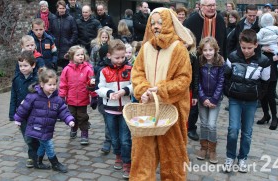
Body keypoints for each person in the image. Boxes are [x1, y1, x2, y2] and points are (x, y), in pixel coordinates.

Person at [130, 7, 193, 180]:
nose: (156, 26)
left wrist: (161, 89)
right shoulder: (145, 49)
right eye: (153, 23)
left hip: (171, 109)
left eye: (160, 22)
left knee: (173, 152)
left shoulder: (178, 49)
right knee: (143, 152)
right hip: (147, 108)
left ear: (168, 23)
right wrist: (143, 90)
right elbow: (137, 73)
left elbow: (184, 79)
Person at [224, 29, 270, 172]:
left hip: (251, 102)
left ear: (256, 45)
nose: (246, 51)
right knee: (233, 129)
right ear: (240, 44)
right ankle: (230, 156)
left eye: (249, 48)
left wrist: (257, 96)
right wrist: (229, 91)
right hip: (235, 100)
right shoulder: (232, 57)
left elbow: (265, 83)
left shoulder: (264, 61)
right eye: (243, 47)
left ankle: (243, 157)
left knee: (247, 132)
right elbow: (226, 76)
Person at [14, 67, 75, 173]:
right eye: (49, 85)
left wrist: (69, 120)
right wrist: (18, 119)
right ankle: (55, 163)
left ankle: (37, 162)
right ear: (42, 84)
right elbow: (23, 108)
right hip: (36, 127)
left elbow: (63, 111)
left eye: (54, 84)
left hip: (47, 128)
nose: (52, 87)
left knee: (42, 145)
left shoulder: (57, 99)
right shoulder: (33, 96)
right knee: (49, 145)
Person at [184, 0, 227, 140]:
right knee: (196, 93)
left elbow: (224, 40)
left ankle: (209, 124)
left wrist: (223, 60)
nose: (212, 8)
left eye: (214, 5)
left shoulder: (220, 20)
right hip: (196, 61)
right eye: (208, 5)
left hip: (214, 63)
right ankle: (191, 127)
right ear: (201, 7)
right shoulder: (192, 20)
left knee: (212, 90)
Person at [96, 39, 133, 179]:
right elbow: (99, 89)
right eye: (117, 57)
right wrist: (109, 93)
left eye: (123, 57)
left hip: (125, 109)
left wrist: (125, 90)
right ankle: (118, 155)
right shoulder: (104, 71)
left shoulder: (129, 69)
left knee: (125, 138)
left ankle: (127, 162)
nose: (120, 60)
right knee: (114, 138)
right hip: (110, 110)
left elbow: (134, 85)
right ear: (109, 55)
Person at [9, 51, 50, 170]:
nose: (23, 68)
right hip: (22, 114)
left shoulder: (38, 80)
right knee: (27, 137)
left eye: (25, 65)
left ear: (33, 65)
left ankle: (34, 156)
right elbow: (13, 97)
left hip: (36, 113)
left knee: (36, 135)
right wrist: (12, 114)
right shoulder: (16, 79)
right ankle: (34, 154)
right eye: (20, 66)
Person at [59, 45, 97, 145]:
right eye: (78, 55)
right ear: (72, 57)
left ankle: (84, 134)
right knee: (72, 116)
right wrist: (62, 96)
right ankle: (74, 128)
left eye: (82, 54)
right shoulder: (66, 69)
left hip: (83, 99)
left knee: (82, 117)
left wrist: (93, 96)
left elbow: (92, 83)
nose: (81, 57)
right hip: (70, 99)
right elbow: (63, 84)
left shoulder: (88, 69)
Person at [196, 37, 225, 164]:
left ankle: (212, 149)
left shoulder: (220, 63)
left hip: (215, 98)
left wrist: (214, 99)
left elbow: (221, 82)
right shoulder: (200, 62)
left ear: (215, 50)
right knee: (203, 124)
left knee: (211, 124)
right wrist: (202, 97)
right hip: (203, 98)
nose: (208, 53)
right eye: (205, 50)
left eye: (210, 50)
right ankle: (203, 147)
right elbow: (198, 81)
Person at [49, 0, 78, 69]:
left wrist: (70, 42)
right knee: (54, 69)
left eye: (63, 8)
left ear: (65, 8)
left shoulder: (70, 19)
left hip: (66, 48)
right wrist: (53, 40)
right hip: (55, 47)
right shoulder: (53, 19)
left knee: (66, 68)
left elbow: (75, 32)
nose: (61, 10)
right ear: (57, 9)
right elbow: (50, 31)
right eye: (60, 8)